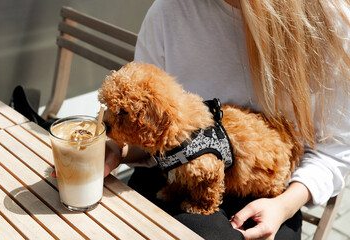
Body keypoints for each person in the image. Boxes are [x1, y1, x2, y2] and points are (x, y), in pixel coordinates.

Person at [53, 0, 350, 239]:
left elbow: (334, 151)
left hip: (266, 193)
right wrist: (118, 149)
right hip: (169, 173)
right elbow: (152, 132)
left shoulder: (328, 24)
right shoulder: (169, 12)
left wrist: (283, 206)